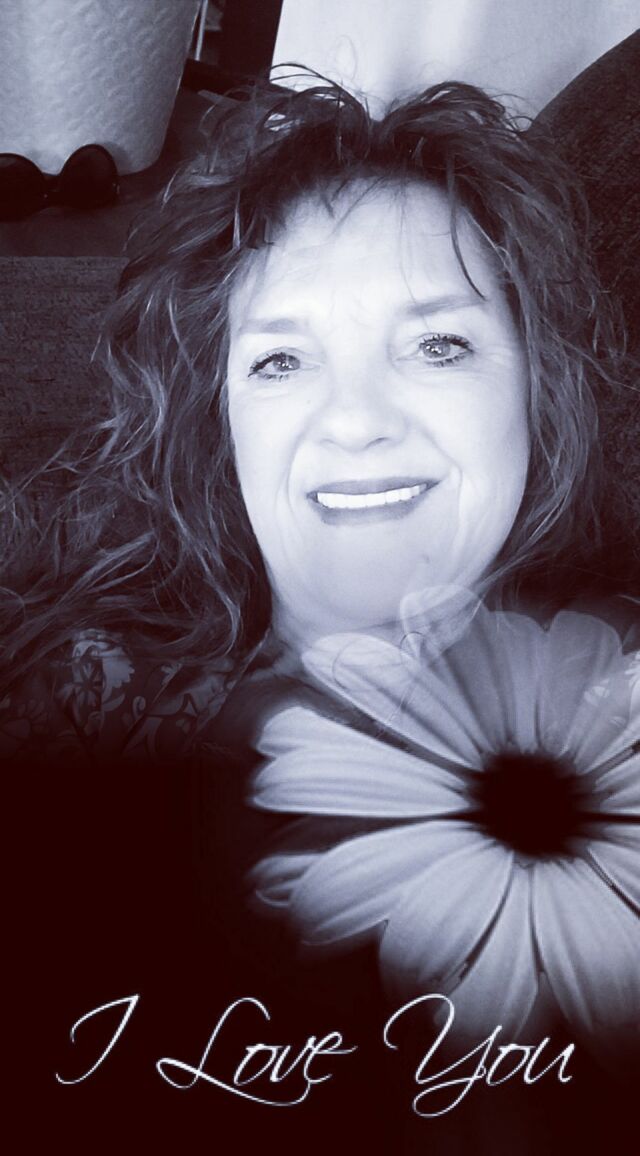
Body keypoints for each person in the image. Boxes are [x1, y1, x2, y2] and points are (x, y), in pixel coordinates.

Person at [3, 76, 637, 1153]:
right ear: (222, 421)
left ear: (541, 385)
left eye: (438, 345)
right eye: (282, 360)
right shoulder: (67, 704)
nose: (353, 421)